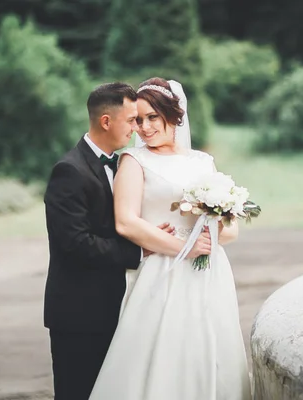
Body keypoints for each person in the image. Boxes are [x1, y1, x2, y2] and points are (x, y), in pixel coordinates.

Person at [89, 78, 251, 400]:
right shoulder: (134, 161)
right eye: (138, 120)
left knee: (209, 343)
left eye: (153, 117)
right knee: (164, 349)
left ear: (174, 115)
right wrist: (185, 248)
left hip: (210, 273)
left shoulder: (202, 162)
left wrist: (213, 237)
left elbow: (230, 227)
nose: (144, 128)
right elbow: (126, 223)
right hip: (163, 271)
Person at [43, 83, 181, 399]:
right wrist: (140, 249)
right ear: (107, 121)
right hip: (79, 313)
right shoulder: (69, 171)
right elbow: (76, 243)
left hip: (116, 305)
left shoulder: (120, 164)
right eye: (132, 120)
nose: (138, 128)